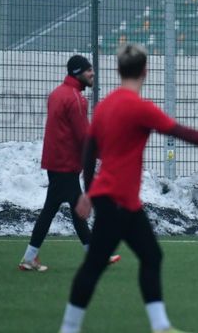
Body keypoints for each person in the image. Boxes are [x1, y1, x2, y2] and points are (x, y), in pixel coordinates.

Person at [59, 44, 198, 333]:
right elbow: (182, 132)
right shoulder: (141, 108)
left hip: (117, 200)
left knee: (151, 256)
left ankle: (160, 325)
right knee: (96, 264)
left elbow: (89, 151)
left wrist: (88, 191)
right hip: (118, 200)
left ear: (118, 70)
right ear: (145, 71)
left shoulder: (104, 106)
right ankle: (69, 328)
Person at [18, 55, 121, 272]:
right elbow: (84, 137)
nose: (92, 73)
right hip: (65, 164)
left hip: (56, 162)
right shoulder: (76, 99)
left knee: (70, 210)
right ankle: (30, 258)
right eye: (88, 70)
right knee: (60, 210)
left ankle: (33, 257)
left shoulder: (57, 93)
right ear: (77, 72)